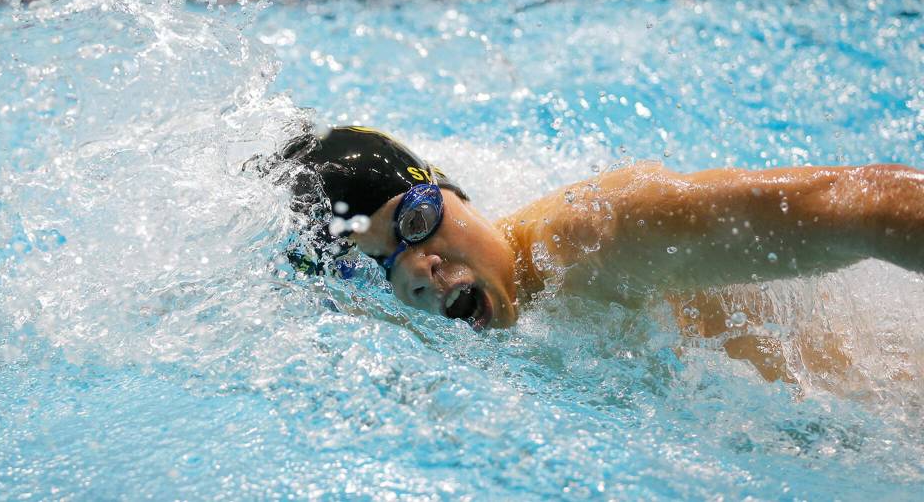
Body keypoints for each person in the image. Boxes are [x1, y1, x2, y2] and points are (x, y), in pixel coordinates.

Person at [279, 126, 924, 359]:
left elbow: (870, 204)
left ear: (455, 193)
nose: (422, 267)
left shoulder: (599, 237)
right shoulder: (484, 319)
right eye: (385, 266)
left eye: (417, 224)